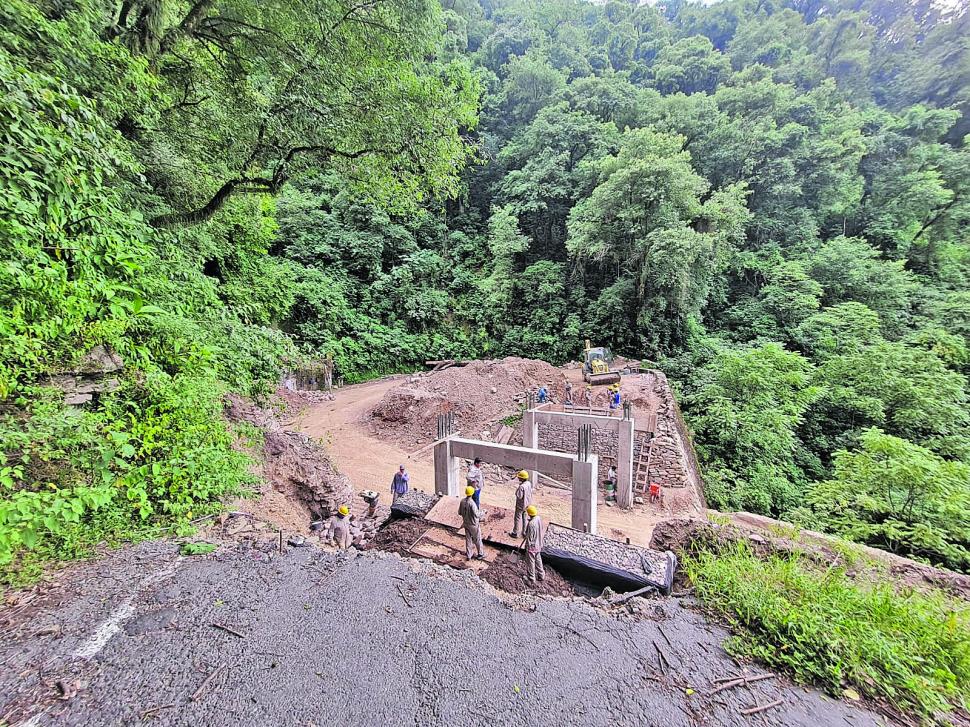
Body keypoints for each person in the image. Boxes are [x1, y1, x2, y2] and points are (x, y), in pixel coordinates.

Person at [458, 485, 484, 560]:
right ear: (472, 493)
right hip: (473, 525)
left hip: (466, 523)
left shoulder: (462, 501)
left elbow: (459, 512)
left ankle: (469, 555)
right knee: (477, 539)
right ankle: (480, 554)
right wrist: (483, 512)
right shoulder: (472, 503)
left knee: (468, 540)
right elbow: (477, 515)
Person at [523, 505, 545, 583]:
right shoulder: (538, 518)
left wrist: (527, 547)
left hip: (532, 546)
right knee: (538, 559)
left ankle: (531, 578)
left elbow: (529, 537)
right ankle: (541, 575)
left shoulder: (531, 524)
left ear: (529, 514)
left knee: (531, 562)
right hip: (539, 544)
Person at [508, 470, 532, 538]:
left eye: (519, 477)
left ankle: (515, 533)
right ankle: (524, 532)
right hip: (527, 504)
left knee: (517, 518)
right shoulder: (529, 483)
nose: (518, 478)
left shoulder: (522, 487)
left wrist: (517, 489)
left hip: (521, 505)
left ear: (522, 478)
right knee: (524, 518)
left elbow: (519, 496)